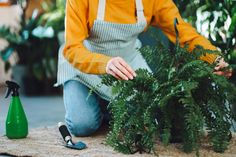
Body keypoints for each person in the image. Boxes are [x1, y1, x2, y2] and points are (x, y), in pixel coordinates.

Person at [56, 0, 232, 137]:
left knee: (147, 121)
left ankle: (108, 106)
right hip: (83, 67)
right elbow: (72, 48)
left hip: (129, 66)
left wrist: (214, 58)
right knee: (82, 124)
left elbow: (184, 33)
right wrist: (105, 63)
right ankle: (98, 104)